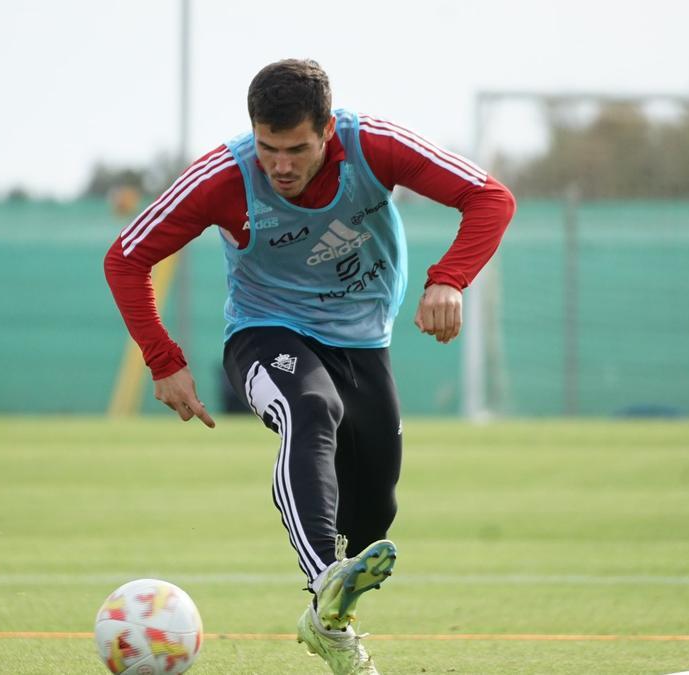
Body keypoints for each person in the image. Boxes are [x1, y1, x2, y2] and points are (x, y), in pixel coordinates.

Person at [104, 58, 514, 674]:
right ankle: (324, 575)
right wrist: (164, 360)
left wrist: (449, 280)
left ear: (328, 131)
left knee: (374, 514)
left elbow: (490, 198)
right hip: (265, 334)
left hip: (362, 343)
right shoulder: (224, 176)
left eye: (297, 148)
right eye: (269, 148)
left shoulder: (374, 146)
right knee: (309, 407)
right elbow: (126, 258)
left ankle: (328, 623)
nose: (282, 166)